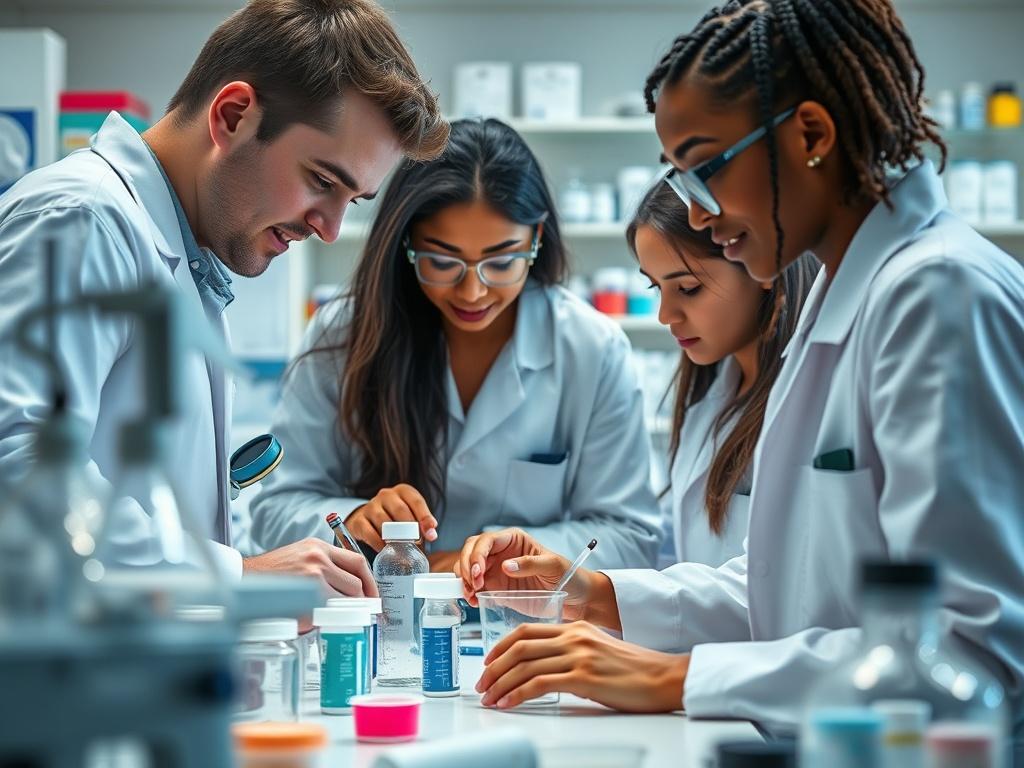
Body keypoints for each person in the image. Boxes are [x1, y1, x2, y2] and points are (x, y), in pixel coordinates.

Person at [457, 0, 1024, 756]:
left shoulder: (938, 293)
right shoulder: (846, 289)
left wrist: (675, 678)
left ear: (811, 136)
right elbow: (795, 585)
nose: (698, 210)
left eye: (703, 168)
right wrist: (600, 594)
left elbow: (972, 651)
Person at [0, 0, 449, 597]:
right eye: (322, 181)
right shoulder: (82, 219)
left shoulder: (184, 257)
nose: (330, 227)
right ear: (233, 115)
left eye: (354, 200)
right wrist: (237, 578)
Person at [250, 118, 661, 572]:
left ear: (536, 240)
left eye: (501, 262)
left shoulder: (592, 348)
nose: (472, 292)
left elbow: (630, 534)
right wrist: (352, 521)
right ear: (406, 245)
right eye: (442, 262)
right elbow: (274, 509)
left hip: (523, 626)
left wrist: (507, 553)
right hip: (380, 618)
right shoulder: (344, 333)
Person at [628, 181, 815, 567]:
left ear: (762, 265)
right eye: (656, 287)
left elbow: (773, 581)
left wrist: (608, 596)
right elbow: (686, 548)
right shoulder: (710, 387)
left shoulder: (812, 395)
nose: (665, 315)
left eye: (688, 288)